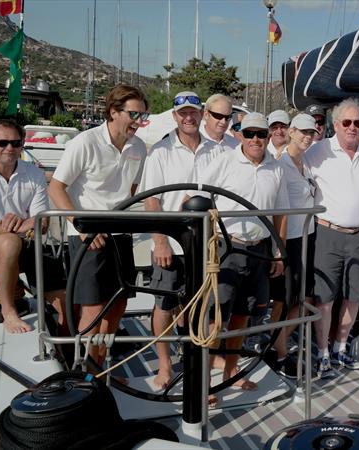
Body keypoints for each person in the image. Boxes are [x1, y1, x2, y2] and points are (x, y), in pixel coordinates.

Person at [190, 112, 289, 390]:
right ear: (240, 136)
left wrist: (279, 253)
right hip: (226, 250)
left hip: (259, 251)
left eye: (261, 134)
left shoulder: (277, 168)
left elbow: (282, 215)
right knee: (214, 319)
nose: (256, 139)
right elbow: (195, 199)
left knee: (242, 317)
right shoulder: (224, 161)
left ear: (269, 136)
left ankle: (230, 374)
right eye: (250, 134)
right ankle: (202, 384)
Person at [48, 84, 148, 361]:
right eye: (134, 115)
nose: (139, 122)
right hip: (87, 236)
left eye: (143, 116)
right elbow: (56, 188)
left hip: (120, 234)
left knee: (118, 305)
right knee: (92, 310)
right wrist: (82, 226)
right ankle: (85, 376)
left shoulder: (139, 147)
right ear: (114, 112)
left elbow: (131, 191)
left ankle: (100, 367)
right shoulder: (85, 142)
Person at [139, 91, 223, 389]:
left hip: (204, 246)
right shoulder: (161, 152)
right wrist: (159, 241)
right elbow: (151, 202)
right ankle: (164, 366)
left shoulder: (217, 151)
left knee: (197, 305)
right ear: (175, 116)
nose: (189, 117)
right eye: (183, 113)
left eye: (194, 112)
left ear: (201, 114)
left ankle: (193, 360)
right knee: (164, 305)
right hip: (171, 245)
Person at [0, 119, 66, 334]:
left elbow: (42, 221)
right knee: (9, 242)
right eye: (2, 143)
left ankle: (71, 353)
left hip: (26, 243)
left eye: (16, 143)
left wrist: (18, 226)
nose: (10, 148)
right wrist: (11, 229)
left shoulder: (33, 174)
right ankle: (9, 312)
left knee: (67, 303)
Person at [304, 98, 359, 379]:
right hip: (327, 233)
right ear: (336, 125)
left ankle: (340, 348)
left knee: (354, 297)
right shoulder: (317, 152)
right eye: (346, 122)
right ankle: (322, 353)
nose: (352, 128)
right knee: (325, 299)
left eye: (357, 123)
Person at [264, 113, 319, 378]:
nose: (308, 137)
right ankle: (280, 350)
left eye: (312, 133)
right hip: (290, 240)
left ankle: (275, 341)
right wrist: (278, 249)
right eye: (303, 132)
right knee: (284, 300)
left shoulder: (306, 163)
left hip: (309, 237)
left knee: (302, 297)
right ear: (292, 132)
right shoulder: (280, 164)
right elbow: (277, 211)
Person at [201, 94, 240, 158]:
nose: (223, 122)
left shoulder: (236, 146)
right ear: (206, 115)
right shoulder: (194, 142)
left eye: (227, 117)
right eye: (218, 116)